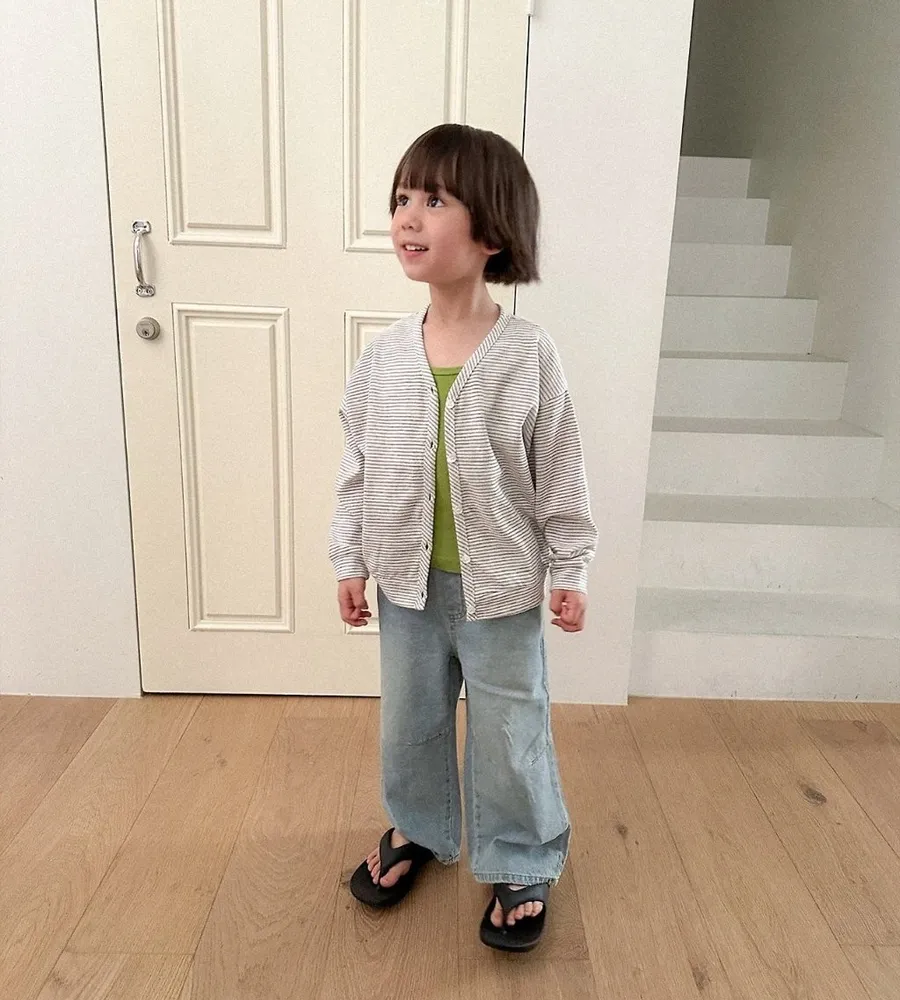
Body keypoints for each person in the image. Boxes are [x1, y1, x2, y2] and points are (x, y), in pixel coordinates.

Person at [328, 123, 597, 952]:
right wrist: (350, 558)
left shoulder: (528, 356)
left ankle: (520, 854)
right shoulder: (382, 360)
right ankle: (420, 827)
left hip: (502, 589)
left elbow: (560, 469)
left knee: (511, 729)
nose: (408, 217)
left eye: (435, 200)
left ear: (492, 231)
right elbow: (359, 467)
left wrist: (572, 567)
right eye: (401, 199)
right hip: (406, 589)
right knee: (408, 722)